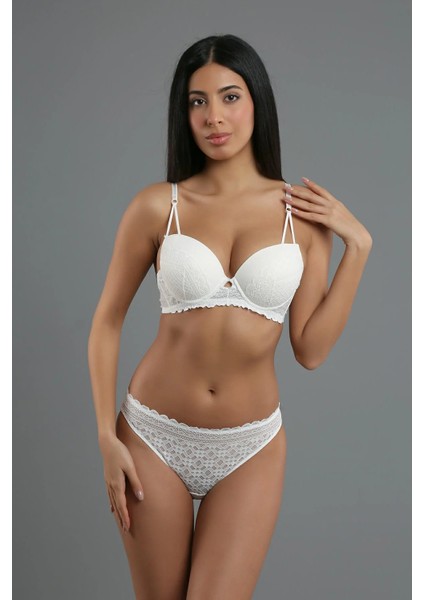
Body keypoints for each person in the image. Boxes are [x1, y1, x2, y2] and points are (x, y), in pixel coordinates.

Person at [87, 33, 372, 600]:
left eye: (230, 97)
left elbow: (311, 350)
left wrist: (358, 248)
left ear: (257, 102)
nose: (213, 116)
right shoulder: (157, 205)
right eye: (197, 101)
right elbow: (106, 322)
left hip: (250, 447)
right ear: (184, 113)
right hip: (151, 437)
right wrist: (104, 437)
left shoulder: (302, 218)